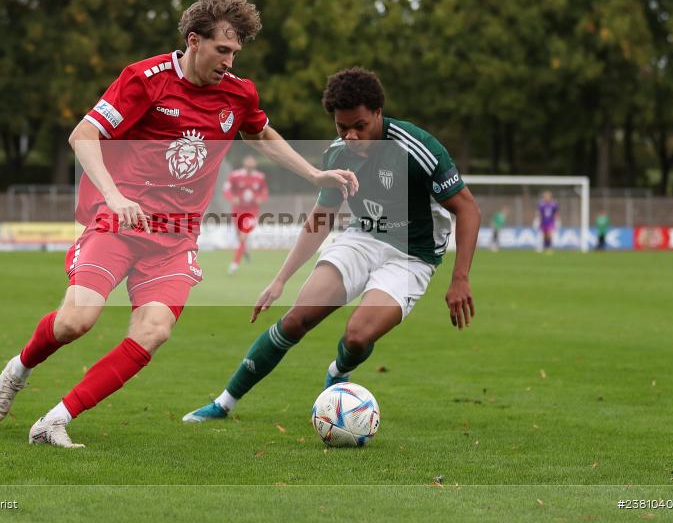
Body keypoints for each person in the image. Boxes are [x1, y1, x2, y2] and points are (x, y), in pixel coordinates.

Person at [0, 0, 359, 449]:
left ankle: (55, 420)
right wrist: (115, 196)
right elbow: (83, 137)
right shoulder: (146, 79)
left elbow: (260, 135)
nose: (230, 62)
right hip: (118, 223)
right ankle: (17, 370)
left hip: (176, 238)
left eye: (236, 52)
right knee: (75, 322)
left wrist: (315, 171)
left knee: (154, 331)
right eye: (222, 50)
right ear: (194, 41)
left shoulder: (238, 94)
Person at [183, 67, 481, 424]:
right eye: (342, 128)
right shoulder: (337, 154)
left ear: (378, 112)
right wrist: (280, 279)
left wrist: (460, 278)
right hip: (361, 239)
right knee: (297, 318)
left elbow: (467, 208)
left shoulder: (416, 148)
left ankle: (338, 373)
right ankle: (224, 402)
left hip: (411, 256)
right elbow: (321, 218)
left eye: (359, 125)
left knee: (357, 337)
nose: (351, 136)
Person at [223, 154, 269, 274]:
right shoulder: (235, 175)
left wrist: (261, 198)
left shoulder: (260, 177)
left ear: (255, 164)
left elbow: (264, 191)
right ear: (244, 163)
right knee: (240, 238)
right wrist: (232, 198)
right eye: (247, 162)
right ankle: (245, 251)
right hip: (237, 210)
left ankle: (234, 265)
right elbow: (226, 189)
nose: (249, 165)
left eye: (251, 162)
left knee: (243, 235)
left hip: (252, 211)